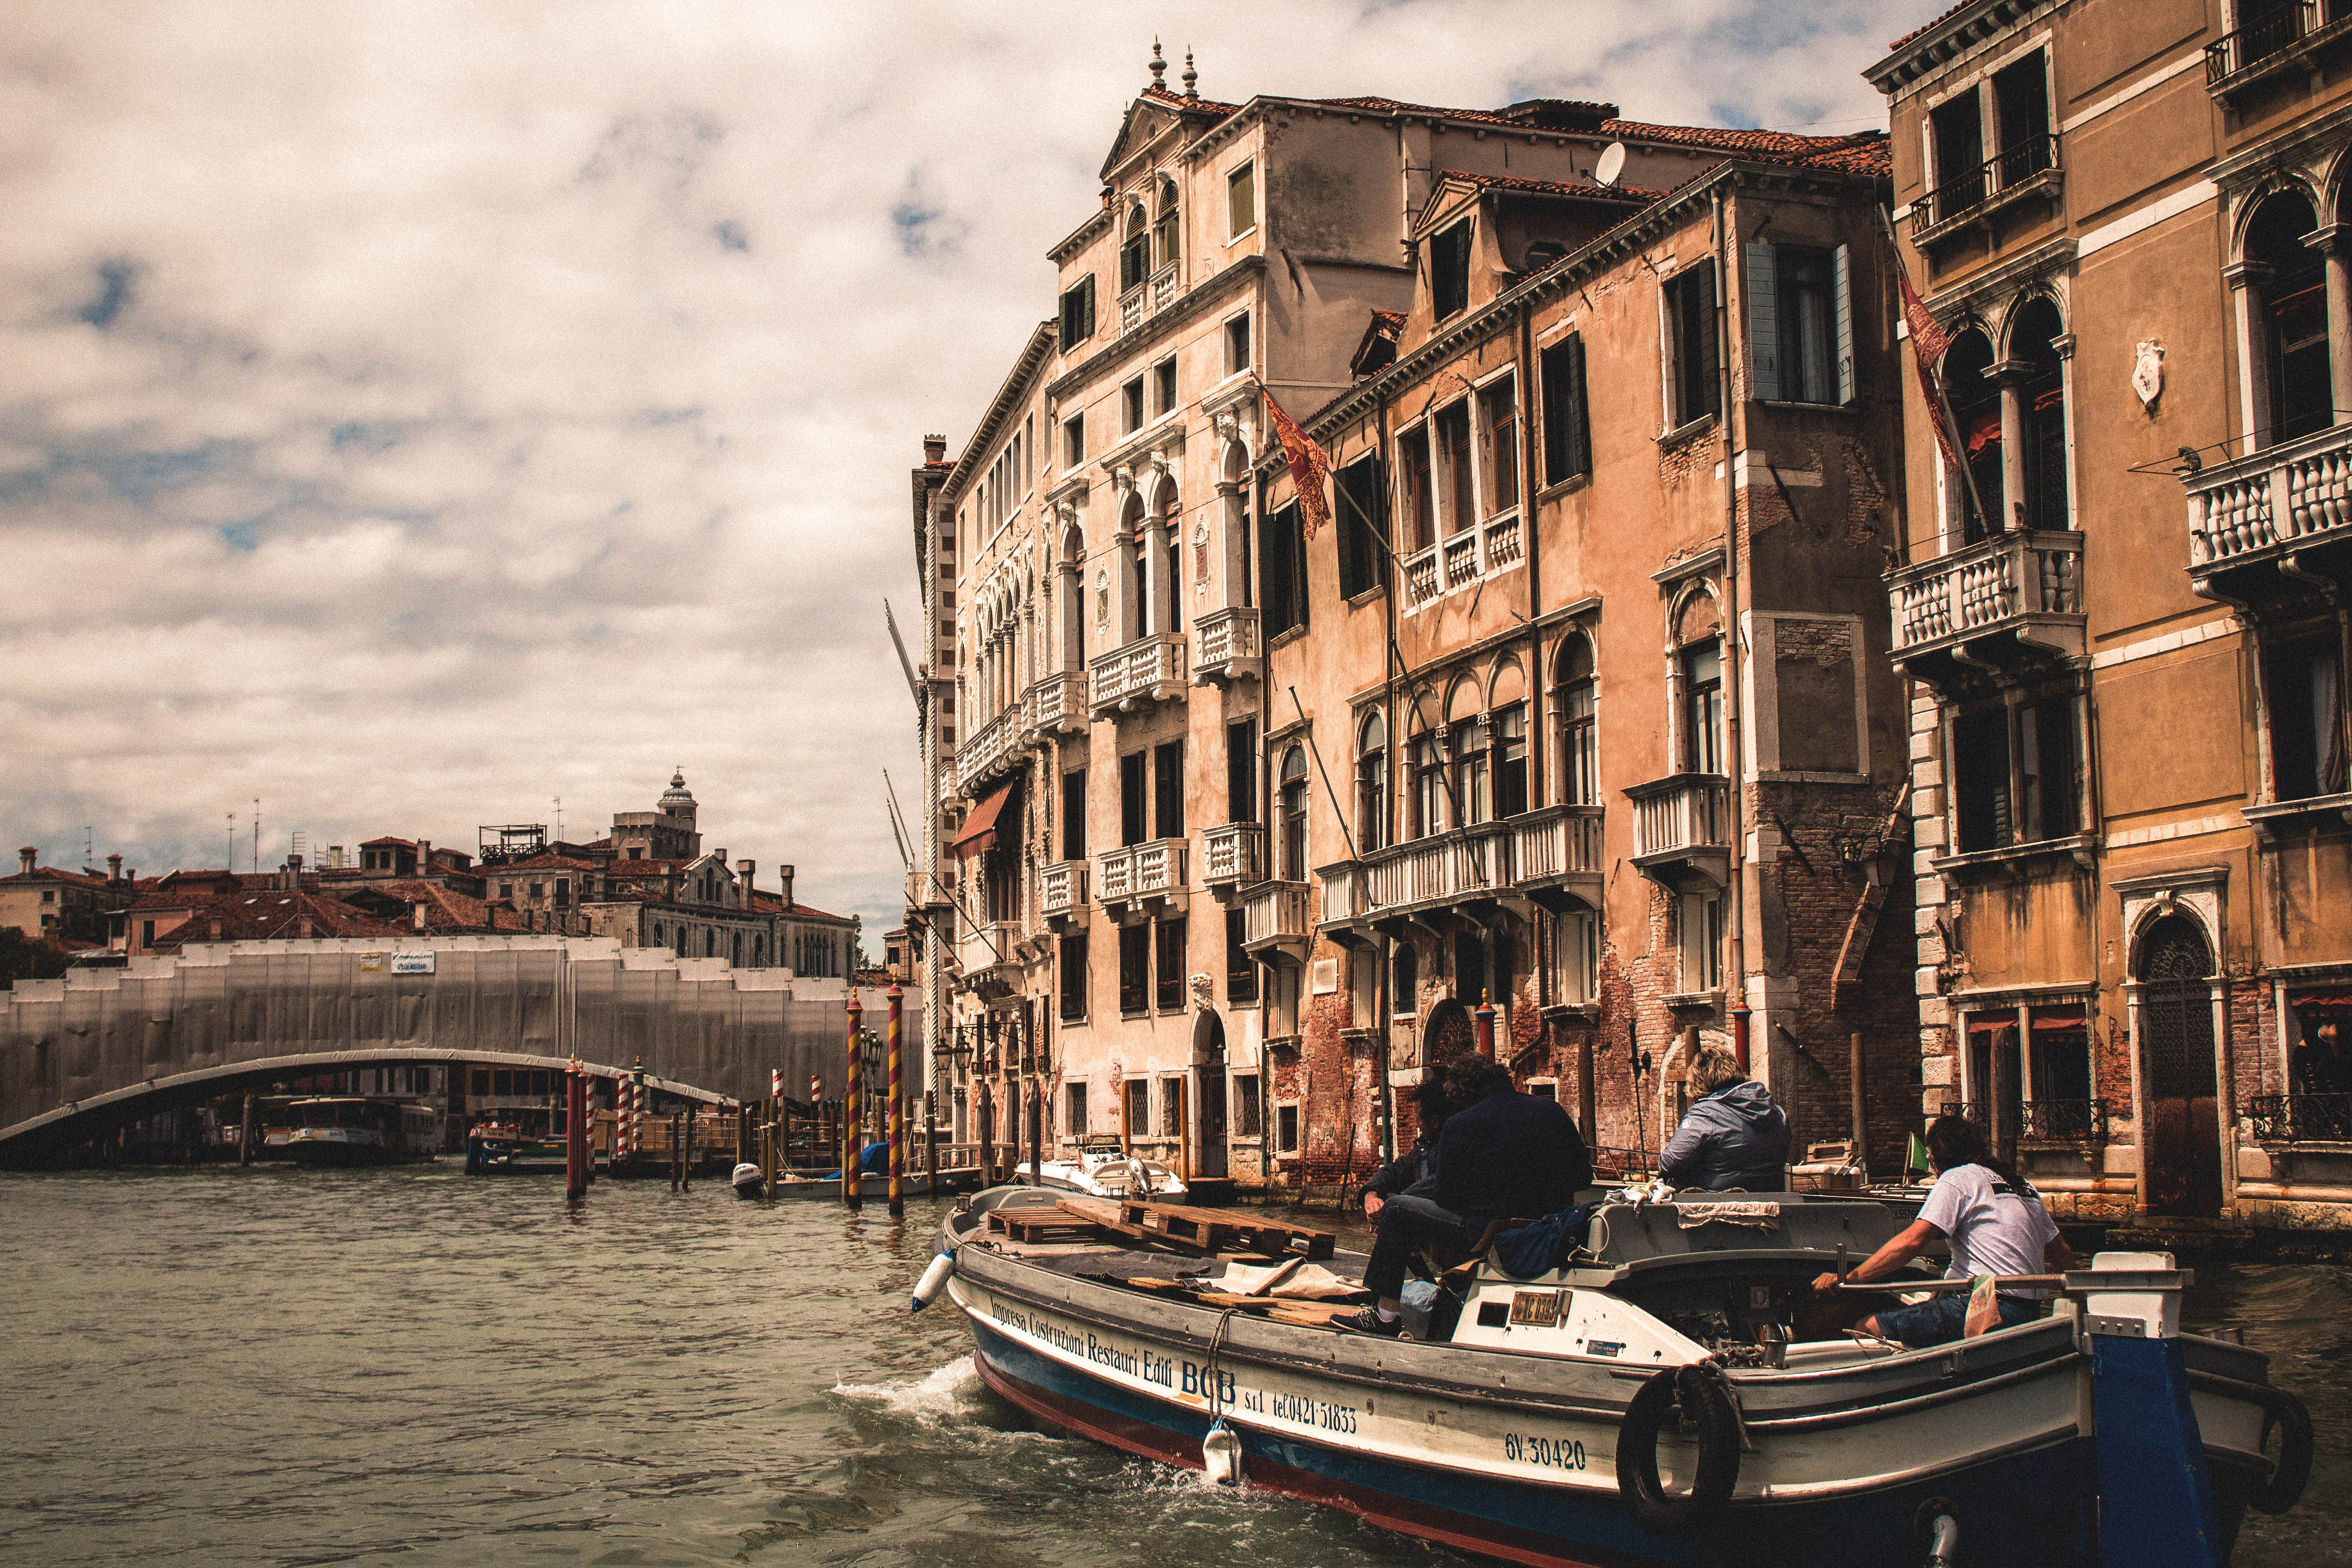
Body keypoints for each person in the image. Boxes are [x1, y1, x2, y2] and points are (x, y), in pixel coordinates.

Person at [1339, 1054, 1592, 1335]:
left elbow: (1448, 1198)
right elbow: (1583, 1177)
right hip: (1547, 1227)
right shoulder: (1551, 1110)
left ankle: (1385, 1316)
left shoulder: (1461, 1124)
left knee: (1396, 1210)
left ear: (1462, 1093)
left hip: (1486, 1233)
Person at [1810, 1113, 2075, 1347]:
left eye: (1931, 1155)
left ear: (1939, 1156)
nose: (1930, 1161)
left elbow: (1911, 1243)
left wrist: (1850, 1278)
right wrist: (2081, 1295)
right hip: (2028, 1312)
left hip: (1985, 1308)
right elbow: (2061, 1252)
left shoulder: (1957, 1177)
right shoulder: (2023, 1185)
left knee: (1866, 1327)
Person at [1660, 1045, 1790, 1191]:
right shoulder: (1778, 1113)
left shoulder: (1705, 1114)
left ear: (1699, 1082)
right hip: (1772, 1196)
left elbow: (1670, 1163)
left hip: (1716, 1200)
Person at [1359, 1079, 1456, 1227]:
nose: (1417, 1125)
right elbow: (1395, 1171)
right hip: (1426, 1223)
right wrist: (1371, 1195)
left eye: (1418, 1119)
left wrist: (1393, 1207)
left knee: (1393, 1210)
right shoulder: (1423, 1148)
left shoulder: (1454, 1147)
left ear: (1435, 1122)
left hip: (1451, 1223)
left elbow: (1440, 1183)